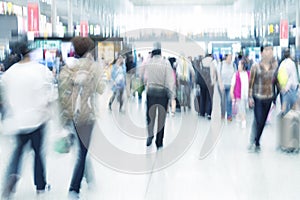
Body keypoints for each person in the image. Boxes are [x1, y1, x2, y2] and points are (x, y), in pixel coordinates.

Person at [1, 36, 54, 199]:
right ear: (30, 51)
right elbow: (49, 97)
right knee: (38, 154)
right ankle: (40, 186)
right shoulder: (40, 70)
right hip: (37, 120)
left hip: (17, 121)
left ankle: (11, 181)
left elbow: (4, 100)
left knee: (18, 153)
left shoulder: (8, 75)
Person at [58, 36, 105, 199]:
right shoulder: (94, 67)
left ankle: (89, 178)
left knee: (82, 149)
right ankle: (74, 187)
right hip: (88, 115)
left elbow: (62, 92)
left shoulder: (68, 68)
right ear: (89, 50)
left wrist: (63, 116)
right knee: (83, 152)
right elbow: (100, 89)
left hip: (72, 114)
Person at [142, 42, 175, 149]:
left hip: (150, 92)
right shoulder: (165, 63)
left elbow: (143, 75)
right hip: (162, 94)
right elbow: (170, 81)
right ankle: (159, 141)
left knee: (150, 117)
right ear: (161, 53)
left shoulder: (149, 62)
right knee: (161, 119)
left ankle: (149, 135)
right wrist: (171, 95)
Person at [248, 42, 278, 152]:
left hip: (269, 97)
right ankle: (253, 140)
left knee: (263, 121)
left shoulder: (274, 66)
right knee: (259, 120)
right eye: (266, 50)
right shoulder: (255, 66)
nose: (269, 52)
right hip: (258, 97)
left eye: (271, 50)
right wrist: (250, 97)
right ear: (261, 53)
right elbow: (251, 82)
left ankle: (257, 141)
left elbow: (276, 81)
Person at [277, 48, 299, 115]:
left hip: (284, 89)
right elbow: (293, 78)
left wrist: (282, 88)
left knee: (285, 109)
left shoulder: (282, 64)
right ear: (290, 54)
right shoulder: (292, 63)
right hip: (291, 89)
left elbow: (279, 76)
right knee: (294, 109)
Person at [230, 59, 250, 128]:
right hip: (239, 95)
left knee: (242, 107)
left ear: (243, 66)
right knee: (242, 108)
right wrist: (231, 92)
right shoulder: (236, 75)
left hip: (246, 95)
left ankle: (238, 117)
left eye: (239, 64)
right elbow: (233, 84)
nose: (238, 66)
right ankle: (243, 121)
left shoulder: (248, 74)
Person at [220, 53, 236, 121]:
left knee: (229, 101)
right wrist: (220, 83)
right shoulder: (221, 64)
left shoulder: (233, 65)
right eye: (229, 58)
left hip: (230, 85)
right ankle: (222, 114)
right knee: (223, 101)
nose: (230, 59)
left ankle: (229, 115)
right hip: (223, 85)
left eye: (231, 58)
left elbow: (235, 75)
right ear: (226, 58)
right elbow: (219, 74)